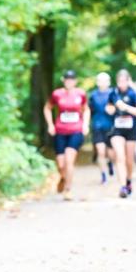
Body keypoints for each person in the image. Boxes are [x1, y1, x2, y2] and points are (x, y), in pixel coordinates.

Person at [44, 69, 90, 201]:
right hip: (60, 131)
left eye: (72, 80)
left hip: (76, 130)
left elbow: (86, 109)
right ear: (63, 81)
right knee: (61, 164)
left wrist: (85, 124)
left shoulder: (80, 94)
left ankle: (68, 189)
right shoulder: (57, 94)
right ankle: (63, 178)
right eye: (67, 80)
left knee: (70, 160)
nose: (69, 82)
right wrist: (50, 125)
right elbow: (47, 108)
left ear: (75, 81)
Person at [105, 69, 136, 198]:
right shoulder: (113, 92)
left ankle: (128, 180)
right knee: (120, 157)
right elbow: (110, 106)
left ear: (128, 81)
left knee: (129, 160)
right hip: (117, 129)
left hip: (131, 130)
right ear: (117, 81)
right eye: (119, 81)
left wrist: (127, 108)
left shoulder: (134, 94)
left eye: (124, 81)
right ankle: (123, 186)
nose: (122, 84)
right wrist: (110, 109)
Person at [88, 72, 115, 184]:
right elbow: (89, 111)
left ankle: (110, 163)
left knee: (111, 153)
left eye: (105, 80)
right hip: (97, 126)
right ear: (97, 82)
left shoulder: (114, 94)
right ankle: (103, 176)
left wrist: (113, 110)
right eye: (100, 80)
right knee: (100, 151)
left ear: (109, 82)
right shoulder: (93, 95)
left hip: (111, 127)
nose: (103, 83)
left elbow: (120, 109)